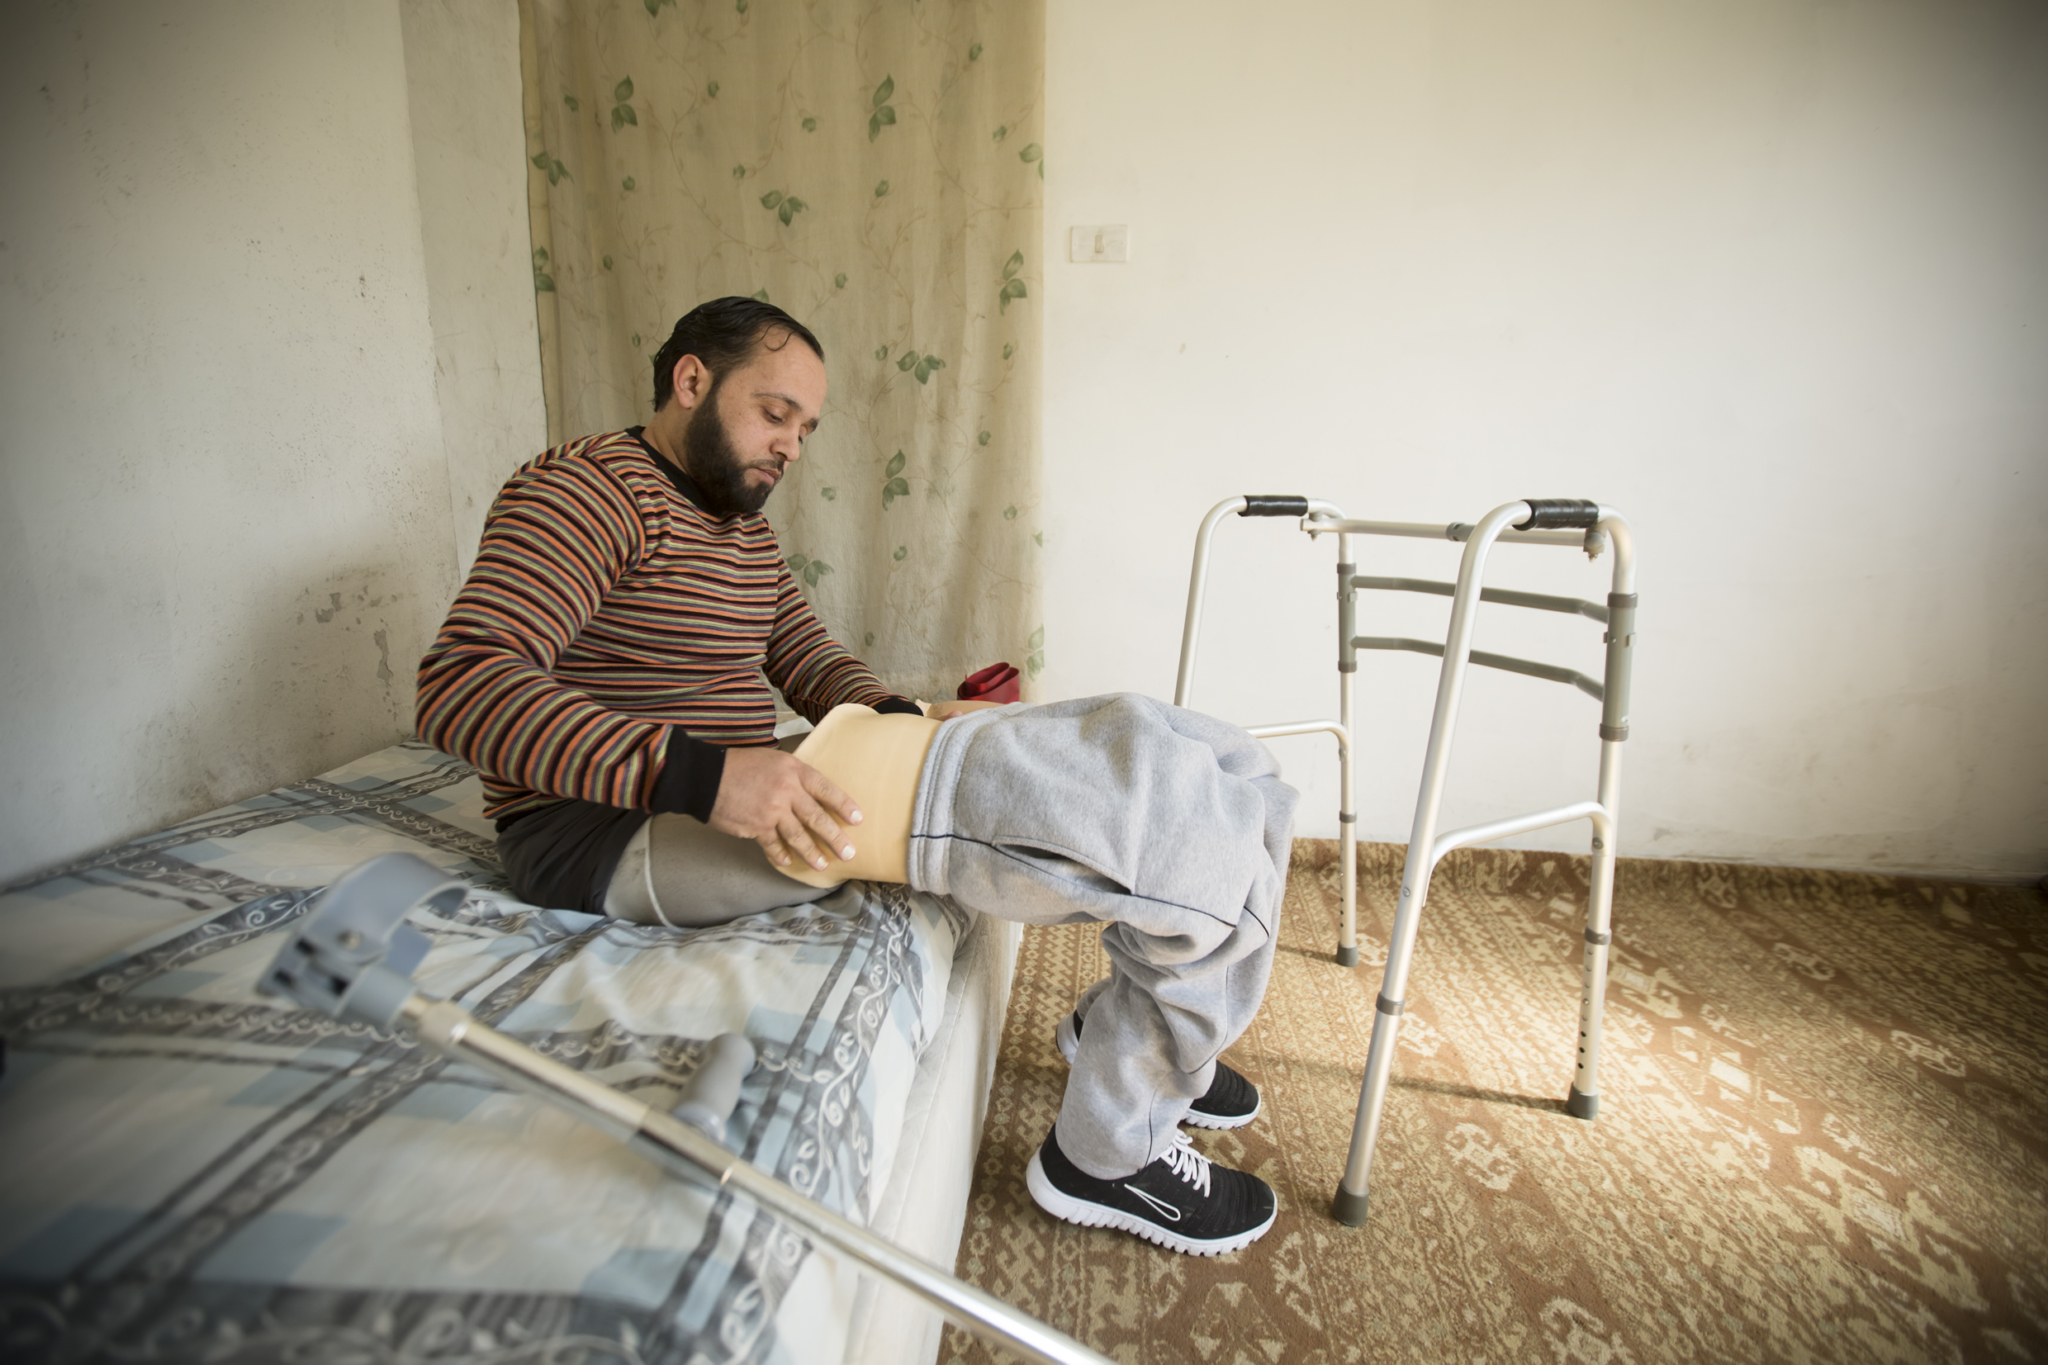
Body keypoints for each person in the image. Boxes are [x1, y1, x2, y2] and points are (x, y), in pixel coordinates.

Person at [417, 296, 1292, 1256]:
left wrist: (909, 718)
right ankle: (1106, 1153)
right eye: (775, 412)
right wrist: (706, 779)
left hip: (744, 780)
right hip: (604, 831)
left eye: (806, 427)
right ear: (691, 380)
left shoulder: (739, 526)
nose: (791, 445)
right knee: (1147, 820)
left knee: (1216, 760)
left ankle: (1155, 1036)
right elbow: (461, 686)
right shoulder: (586, 490)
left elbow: (807, 655)